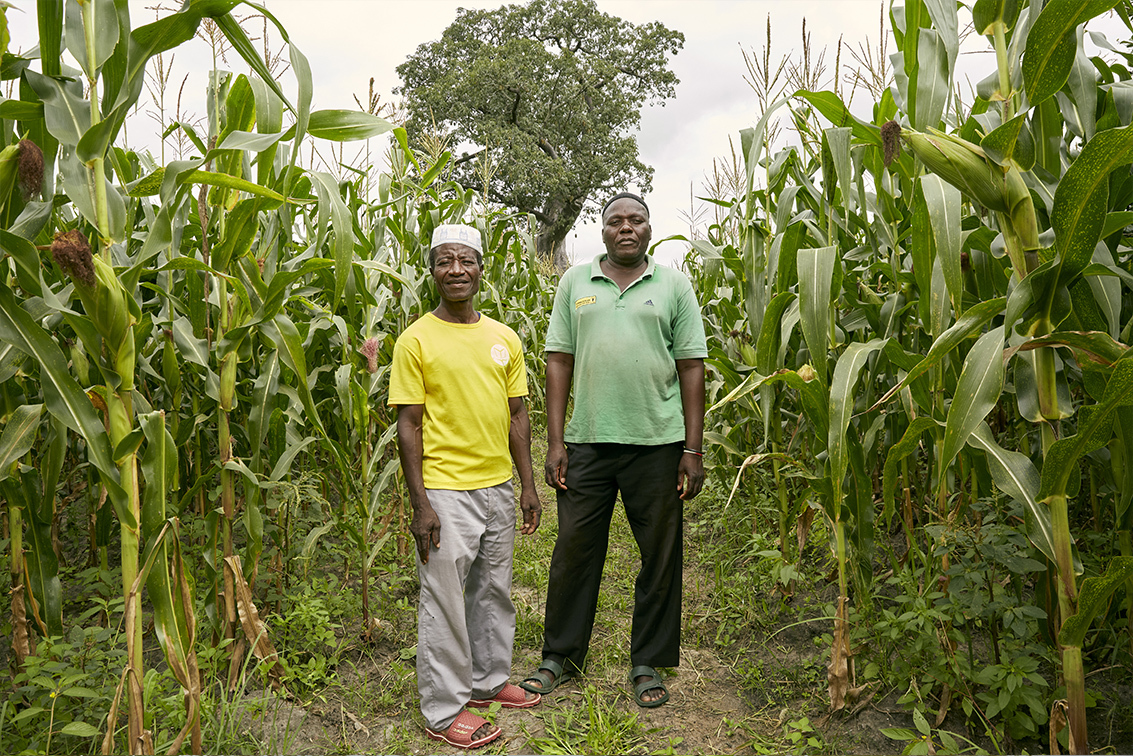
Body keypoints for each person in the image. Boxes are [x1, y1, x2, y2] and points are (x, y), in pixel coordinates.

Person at [519, 193, 707, 708]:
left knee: (659, 557)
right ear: (602, 231)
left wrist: (693, 447)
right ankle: (559, 656)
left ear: (649, 228)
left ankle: (646, 662)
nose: (626, 227)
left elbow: (692, 366)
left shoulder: (673, 285)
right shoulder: (575, 282)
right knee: (574, 551)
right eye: (615, 221)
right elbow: (558, 360)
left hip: (659, 443)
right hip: (588, 441)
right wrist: (556, 442)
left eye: (636, 220)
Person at [389, 223, 542, 750]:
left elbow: (517, 415)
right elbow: (408, 424)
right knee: (444, 600)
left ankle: (487, 683)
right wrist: (420, 504)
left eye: (466, 261)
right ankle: (442, 710)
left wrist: (526, 485)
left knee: (494, 590)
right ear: (431, 270)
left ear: (481, 269)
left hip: (498, 486)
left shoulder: (504, 337)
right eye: (444, 261)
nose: (456, 270)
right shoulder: (416, 340)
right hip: (445, 491)